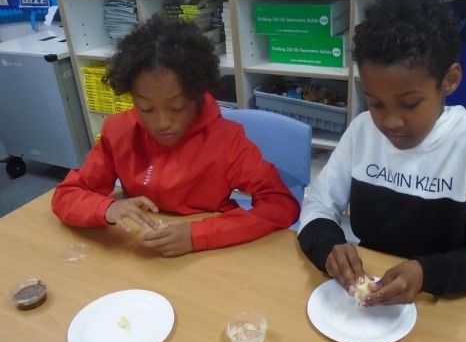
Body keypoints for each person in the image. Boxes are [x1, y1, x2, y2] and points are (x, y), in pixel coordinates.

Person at [298, 0, 466, 305]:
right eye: (375, 103)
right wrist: (329, 248)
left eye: (409, 104)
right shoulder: (362, 132)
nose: (390, 122)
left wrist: (426, 274)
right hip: (370, 301)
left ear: (450, 80)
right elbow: (317, 206)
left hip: (444, 305)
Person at [52, 15, 299, 256]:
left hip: (208, 256)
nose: (162, 123)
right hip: (141, 252)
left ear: (197, 95)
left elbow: (281, 204)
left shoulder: (226, 140)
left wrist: (198, 235)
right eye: (146, 108)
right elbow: (67, 195)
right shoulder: (119, 131)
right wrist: (107, 208)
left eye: (177, 107)